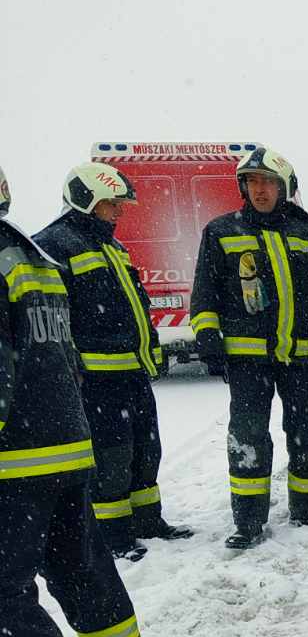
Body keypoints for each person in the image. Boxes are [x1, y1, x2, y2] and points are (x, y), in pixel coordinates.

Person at [0, 162, 152, 637]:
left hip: (14, 461)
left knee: (6, 595)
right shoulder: (31, 255)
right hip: (65, 447)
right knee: (82, 568)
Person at [188, 147, 308, 549]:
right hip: (247, 360)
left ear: (284, 187)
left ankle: (306, 512)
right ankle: (248, 523)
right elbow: (205, 293)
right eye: (252, 182)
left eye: (268, 182)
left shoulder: (307, 233)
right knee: (248, 439)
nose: (260, 190)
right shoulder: (221, 232)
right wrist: (208, 336)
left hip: (301, 358)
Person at [34, 163, 192, 561]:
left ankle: (148, 521)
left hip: (130, 372)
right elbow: (51, 315)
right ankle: (113, 537)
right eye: (111, 203)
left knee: (145, 449)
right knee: (111, 457)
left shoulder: (112, 246)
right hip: (95, 378)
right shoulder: (54, 245)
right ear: (85, 199)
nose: (119, 211)